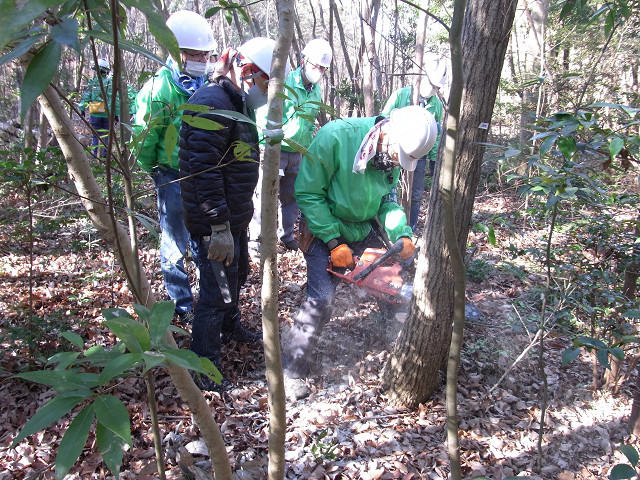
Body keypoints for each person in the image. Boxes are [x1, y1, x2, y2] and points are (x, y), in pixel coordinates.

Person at [281, 105, 438, 400]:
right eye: (395, 155)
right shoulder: (336, 137)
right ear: (387, 131)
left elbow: (388, 202)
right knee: (322, 300)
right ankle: (291, 368)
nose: (394, 162)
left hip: (361, 228)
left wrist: (401, 234)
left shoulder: (391, 158)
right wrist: (332, 241)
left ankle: (395, 345)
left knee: (393, 284)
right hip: (322, 226)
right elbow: (308, 193)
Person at [179, 38, 282, 392]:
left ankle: (230, 326)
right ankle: (204, 366)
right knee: (216, 291)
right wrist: (218, 226)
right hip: (214, 221)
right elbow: (202, 172)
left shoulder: (234, 101)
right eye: (267, 81)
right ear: (247, 71)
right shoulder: (211, 103)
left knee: (238, 275)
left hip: (233, 216)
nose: (268, 91)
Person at [133, 10, 218, 322]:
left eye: (204, 54)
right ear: (177, 53)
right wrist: (157, 171)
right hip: (172, 175)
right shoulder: (160, 88)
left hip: (202, 174)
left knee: (201, 240)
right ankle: (181, 305)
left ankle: (206, 299)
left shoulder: (205, 84)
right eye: (194, 54)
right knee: (174, 246)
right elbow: (144, 138)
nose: (200, 59)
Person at [253, 38, 333, 251]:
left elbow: (310, 122)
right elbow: (264, 112)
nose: (319, 71)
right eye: (316, 66)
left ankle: (286, 235)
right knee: (265, 193)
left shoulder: (315, 90)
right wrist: (270, 141)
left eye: (323, 68)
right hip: (275, 148)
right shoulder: (286, 80)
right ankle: (258, 239)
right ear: (304, 60)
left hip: (298, 152)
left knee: (291, 197)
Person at [380, 70, 445, 231]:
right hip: (393, 150)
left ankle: (411, 228)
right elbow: (383, 119)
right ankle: (388, 228)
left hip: (418, 155)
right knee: (389, 190)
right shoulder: (401, 94)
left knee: (415, 194)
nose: (432, 89)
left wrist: (433, 157)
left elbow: (435, 134)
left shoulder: (436, 105)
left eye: (436, 87)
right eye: (431, 84)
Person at [78, 58, 116, 157]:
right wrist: (116, 114)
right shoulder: (111, 84)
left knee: (96, 134)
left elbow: (86, 96)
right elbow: (114, 100)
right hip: (108, 113)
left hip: (95, 112)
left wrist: (82, 108)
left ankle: (97, 155)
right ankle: (104, 155)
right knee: (107, 134)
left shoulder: (93, 82)